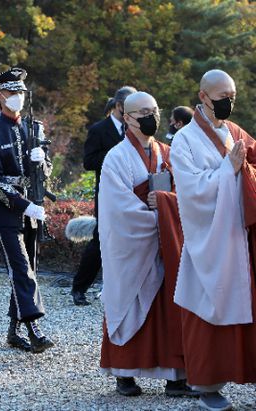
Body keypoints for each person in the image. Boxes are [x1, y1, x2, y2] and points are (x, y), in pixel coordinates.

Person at [98, 91, 197, 398]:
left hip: (168, 244)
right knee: (127, 303)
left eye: (154, 110)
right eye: (142, 112)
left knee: (172, 307)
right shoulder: (116, 158)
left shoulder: (169, 153)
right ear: (127, 117)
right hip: (134, 246)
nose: (150, 117)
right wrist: (158, 215)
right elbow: (117, 209)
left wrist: (167, 203)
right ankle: (124, 372)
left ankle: (176, 376)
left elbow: (190, 192)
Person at [170, 69, 256, 411]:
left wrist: (245, 168)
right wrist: (228, 169)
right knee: (207, 307)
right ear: (203, 96)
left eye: (232, 97)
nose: (228, 103)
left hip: (242, 235)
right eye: (222, 97)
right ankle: (208, 386)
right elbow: (190, 189)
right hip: (210, 239)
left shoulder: (234, 131)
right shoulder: (184, 140)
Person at [0, 67, 55, 354]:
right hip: (8, 210)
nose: (17, 97)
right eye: (12, 92)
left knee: (27, 268)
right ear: (0, 95)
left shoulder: (35, 128)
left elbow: (47, 170)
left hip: (34, 208)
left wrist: (42, 162)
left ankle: (14, 330)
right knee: (21, 268)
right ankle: (34, 328)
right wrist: (24, 206)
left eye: (20, 92)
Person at [71, 86, 137, 306]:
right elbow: (88, 162)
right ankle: (79, 288)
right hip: (108, 192)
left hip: (133, 192)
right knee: (100, 240)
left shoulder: (136, 128)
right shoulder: (99, 129)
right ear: (118, 106)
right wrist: (116, 153)